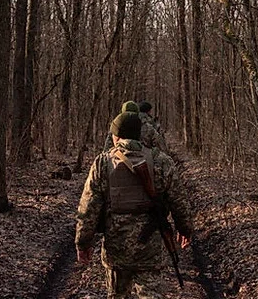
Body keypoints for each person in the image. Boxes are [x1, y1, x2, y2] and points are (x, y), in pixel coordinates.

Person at [76, 112, 193, 299]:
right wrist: (185, 228)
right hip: (150, 249)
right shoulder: (161, 161)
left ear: (117, 136)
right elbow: (178, 200)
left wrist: (83, 242)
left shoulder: (102, 163)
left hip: (117, 248)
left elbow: (88, 208)